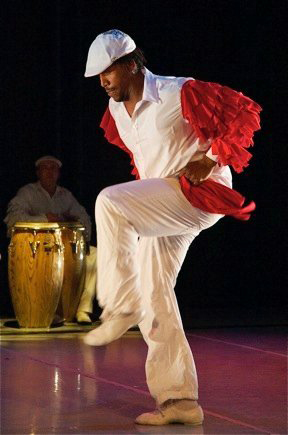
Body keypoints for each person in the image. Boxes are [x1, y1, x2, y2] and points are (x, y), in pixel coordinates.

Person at [83, 29, 261, 425]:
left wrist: (212, 158)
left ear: (130, 64)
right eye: (98, 76)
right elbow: (149, 159)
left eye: (108, 72)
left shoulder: (178, 92)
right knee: (154, 291)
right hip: (167, 202)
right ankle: (179, 401)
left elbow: (244, 112)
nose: (103, 82)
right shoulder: (116, 111)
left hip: (199, 193)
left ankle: (117, 304)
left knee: (109, 201)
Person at [4, 155, 97, 325]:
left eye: (53, 168)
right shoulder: (28, 193)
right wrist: (44, 218)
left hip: (66, 249)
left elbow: (84, 217)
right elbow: (13, 218)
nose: (49, 171)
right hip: (39, 248)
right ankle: (40, 310)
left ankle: (82, 309)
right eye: (45, 168)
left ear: (58, 173)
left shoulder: (65, 195)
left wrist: (83, 237)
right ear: (38, 172)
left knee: (95, 255)